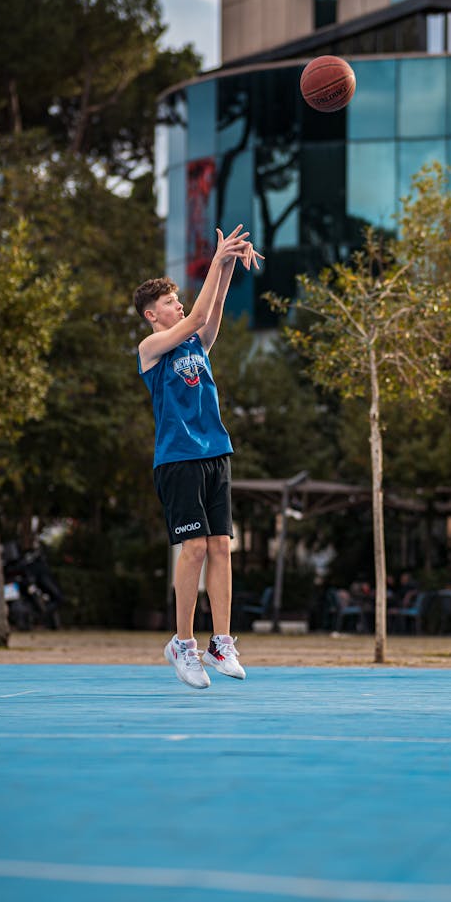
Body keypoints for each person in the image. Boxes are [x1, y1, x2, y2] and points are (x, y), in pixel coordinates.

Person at [134, 224, 263, 689]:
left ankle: (221, 640)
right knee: (192, 548)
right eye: (169, 301)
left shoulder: (196, 345)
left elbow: (211, 315)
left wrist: (227, 263)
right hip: (177, 458)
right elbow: (197, 318)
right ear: (151, 314)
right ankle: (183, 643)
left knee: (221, 547)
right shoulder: (151, 349)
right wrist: (215, 258)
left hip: (215, 452)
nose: (179, 305)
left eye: (177, 299)